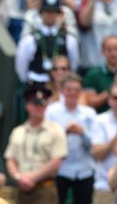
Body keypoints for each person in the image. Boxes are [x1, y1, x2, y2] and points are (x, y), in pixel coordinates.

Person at [5, 84, 67, 204]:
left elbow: (57, 161)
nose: (39, 107)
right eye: (35, 104)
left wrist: (32, 178)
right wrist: (19, 177)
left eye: (42, 104)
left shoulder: (55, 130)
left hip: (45, 188)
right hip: (21, 188)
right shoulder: (18, 131)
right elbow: (10, 159)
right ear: (27, 105)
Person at [45, 73, 97, 204]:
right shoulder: (51, 111)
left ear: (81, 91)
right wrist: (65, 133)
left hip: (85, 169)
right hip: (60, 170)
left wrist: (82, 133)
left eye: (76, 89)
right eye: (69, 89)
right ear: (62, 91)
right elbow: (47, 141)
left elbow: (95, 145)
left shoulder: (89, 113)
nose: (73, 93)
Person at [15, 0, 79, 84]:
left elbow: (74, 63)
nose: (50, 15)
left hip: (60, 84)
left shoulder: (69, 39)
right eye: (46, 11)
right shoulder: (30, 39)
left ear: (58, 13)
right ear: (41, 13)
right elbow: (21, 66)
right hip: (36, 83)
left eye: (53, 11)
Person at [83, 35, 117, 113]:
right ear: (102, 51)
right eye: (109, 49)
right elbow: (90, 103)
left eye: (116, 49)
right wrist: (113, 87)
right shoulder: (93, 74)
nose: (113, 53)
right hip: (101, 120)